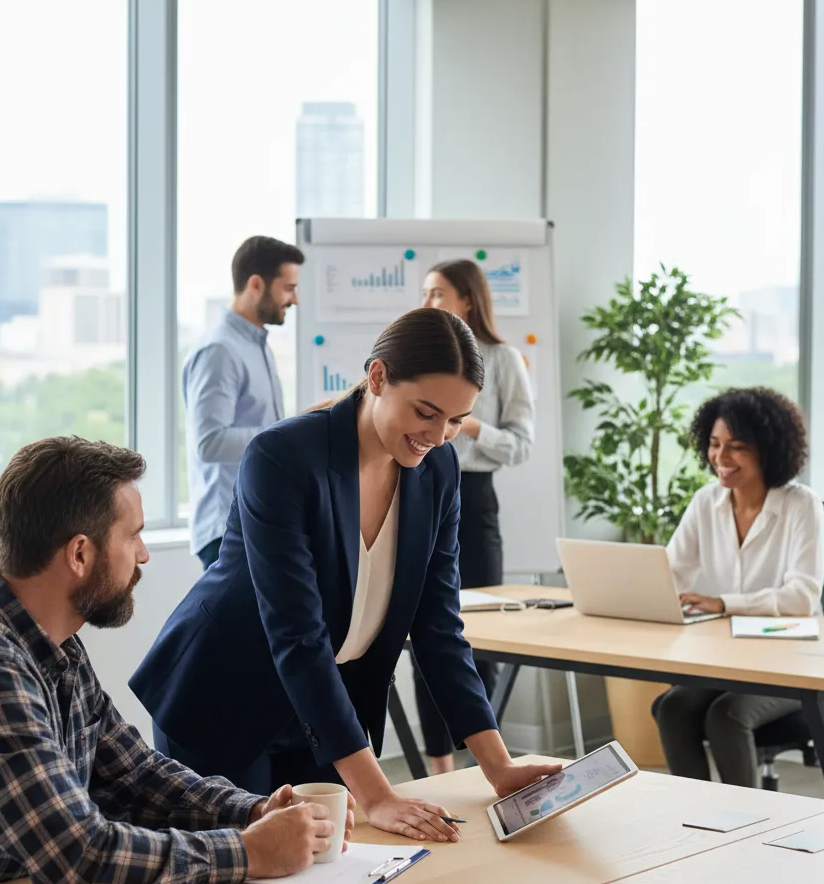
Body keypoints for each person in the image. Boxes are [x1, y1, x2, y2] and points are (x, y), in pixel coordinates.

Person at [131, 308, 560, 845]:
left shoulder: (438, 470)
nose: (439, 435)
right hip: (227, 697)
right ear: (377, 378)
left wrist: (500, 769)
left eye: (455, 419)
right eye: (425, 412)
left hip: (329, 706)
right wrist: (378, 795)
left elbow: (439, 630)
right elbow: (297, 636)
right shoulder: (283, 457)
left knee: (335, 874)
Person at [0, 437, 352, 884]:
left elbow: (133, 776)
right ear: (80, 554)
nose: (143, 555)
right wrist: (249, 851)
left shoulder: (51, 644)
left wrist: (255, 811)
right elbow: (84, 860)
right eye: (133, 535)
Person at [654, 387, 824, 788]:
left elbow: (803, 597)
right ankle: (694, 821)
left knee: (726, 715)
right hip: (726, 658)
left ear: (767, 448)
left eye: (736, 447)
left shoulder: (802, 505)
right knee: (673, 707)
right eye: (714, 445)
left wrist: (722, 602)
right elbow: (669, 573)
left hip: (793, 659)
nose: (721, 458)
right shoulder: (705, 502)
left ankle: (746, 827)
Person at [414, 258, 535, 774]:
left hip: (476, 496)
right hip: (421, 490)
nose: (429, 304)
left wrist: (467, 427)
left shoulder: (503, 359)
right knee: (423, 633)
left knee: (480, 639)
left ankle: (480, 764)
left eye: (438, 294)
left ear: (467, 299)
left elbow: (522, 444)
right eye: (425, 294)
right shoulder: (418, 356)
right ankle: (440, 771)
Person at [183, 235, 303, 570]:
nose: (294, 299)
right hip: (228, 531)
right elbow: (209, 443)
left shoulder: (258, 344)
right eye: (288, 288)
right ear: (255, 284)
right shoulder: (220, 350)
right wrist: (286, 432)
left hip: (256, 520)